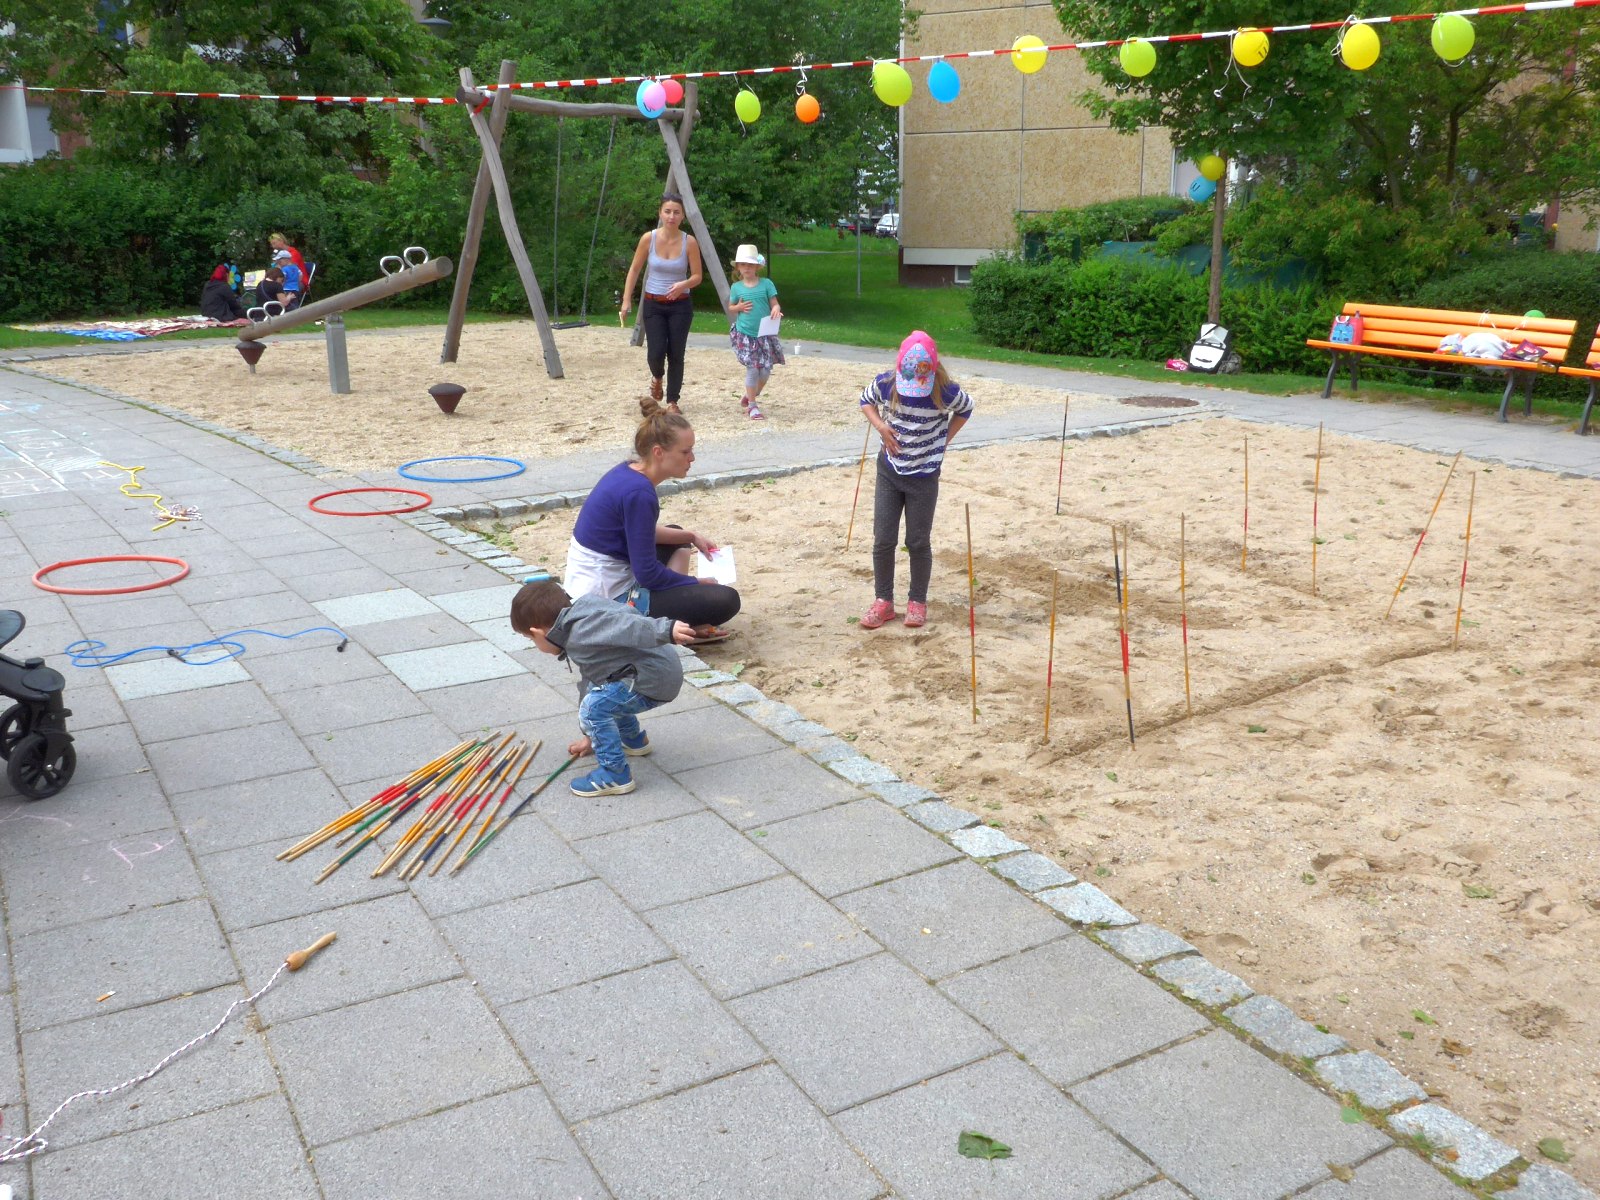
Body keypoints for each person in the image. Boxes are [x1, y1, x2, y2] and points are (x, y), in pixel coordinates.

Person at [564, 410, 741, 640]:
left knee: (678, 535)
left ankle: (672, 621)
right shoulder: (639, 493)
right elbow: (647, 574)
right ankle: (665, 629)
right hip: (605, 599)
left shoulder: (628, 472)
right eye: (685, 452)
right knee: (726, 600)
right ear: (659, 452)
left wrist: (692, 535)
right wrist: (695, 582)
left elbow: (639, 533)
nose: (692, 458)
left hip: (591, 583)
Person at [512, 579, 695, 797]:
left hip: (654, 679)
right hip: (654, 672)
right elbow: (590, 681)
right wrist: (590, 735)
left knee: (594, 708)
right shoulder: (579, 618)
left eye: (529, 639)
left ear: (539, 633)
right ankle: (634, 741)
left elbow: (627, 625)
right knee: (603, 695)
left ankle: (614, 775)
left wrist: (666, 629)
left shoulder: (583, 629)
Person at [857, 331, 974, 630]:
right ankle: (883, 601)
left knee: (918, 541)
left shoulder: (945, 391)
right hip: (889, 471)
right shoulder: (887, 382)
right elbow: (865, 400)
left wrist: (944, 439)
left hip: (924, 475)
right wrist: (881, 427)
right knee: (883, 538)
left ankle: (916, 602)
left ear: (933, 371)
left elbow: (966, 408)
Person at [620, 193, 702, 414]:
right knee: (655, 352)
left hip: (680, 305)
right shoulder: (649, 238)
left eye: (676, 212)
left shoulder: (689, 241)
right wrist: (626, 300)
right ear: (660, 213)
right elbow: (635, 269)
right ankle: (657, 376)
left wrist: (682, 284)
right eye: (667, 211)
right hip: (653, 303)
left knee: (676, 353)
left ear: (682, 216)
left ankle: (673, 400)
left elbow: (697, 276)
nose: (671, 216)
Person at [726, 244, 783, 420]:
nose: (747, 268)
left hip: (764, 333)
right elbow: (731, 307)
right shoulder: (736, 287)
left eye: (750, 264)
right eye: (743, 265)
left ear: (757, 266)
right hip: (745, 333)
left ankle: (751, 394)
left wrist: (776, 309)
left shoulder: (766, 284)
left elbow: (774, 303)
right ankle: (752, 406)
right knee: (753, 369)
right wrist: (739, 307)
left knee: (765, 371)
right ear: (738, 267)